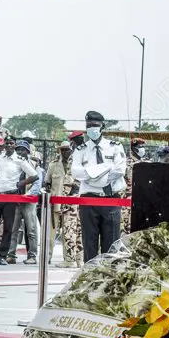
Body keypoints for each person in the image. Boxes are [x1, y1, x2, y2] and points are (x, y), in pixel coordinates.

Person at [71, 111, 127, 262]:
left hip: (111, 199)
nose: (91, 128)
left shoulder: (115, 147)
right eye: (88, 125)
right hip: (88, 201)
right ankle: (90, 277)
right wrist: (101, 172)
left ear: (102, 126)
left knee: (112, 245)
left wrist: (91, 177)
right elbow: (76, 172)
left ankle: (109, 280)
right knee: (89, 243)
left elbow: (120, 170)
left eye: (95, 125)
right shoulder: (81, 149)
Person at [0, 137, 37, 265]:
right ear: (4, 145)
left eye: (11, 143)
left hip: (10, 196)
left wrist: (21, 183)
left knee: (8, 227)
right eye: (7, 143)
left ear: (14, 145)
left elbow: (34, 175)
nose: (9, 145)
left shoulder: (19, 160)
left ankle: (2, 256)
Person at [6, 140, 41, 265]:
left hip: (29, 201)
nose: (20, 152)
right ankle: (10, 255)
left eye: (23, 150)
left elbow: (37, 183)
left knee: (31, 230)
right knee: (13, 229)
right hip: (15, 200)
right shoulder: (13, 163)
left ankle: (32, 256)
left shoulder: (34, 164)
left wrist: (28, 195)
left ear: (28, 151)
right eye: (18, 149)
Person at [44, 141, 72, 264]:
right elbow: (47, 183)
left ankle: (68, 259)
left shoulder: (75, 165)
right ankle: (47, 257)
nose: (65, 152)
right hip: (55, 203)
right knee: (51, 233)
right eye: (63, 150)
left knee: (68, 232)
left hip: (70, 204)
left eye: (67, 149)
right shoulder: (53, 165)